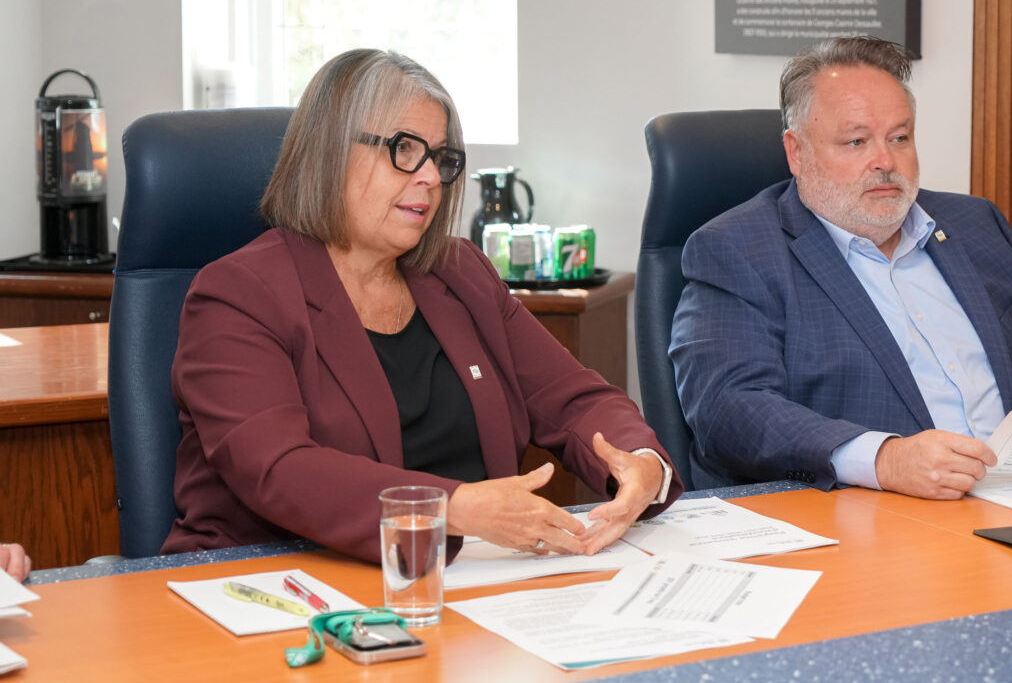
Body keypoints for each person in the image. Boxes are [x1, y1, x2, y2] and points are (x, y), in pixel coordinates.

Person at [161, 49, 681, 563]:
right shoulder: (237, 294)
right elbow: (280, 470)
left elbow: (573, 398)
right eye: (405, 149)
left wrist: (640, 463)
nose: (431, 176)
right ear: (330, 151)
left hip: (465, 580)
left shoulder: (460, 273)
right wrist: (450, 508)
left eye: (440, 157)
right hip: (281, 584)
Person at [670, 36, 1012, 499]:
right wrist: (882, 459)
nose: (885, 162)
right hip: (876, 521)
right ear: (796, 153)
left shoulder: (975, 225)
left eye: (899, 138)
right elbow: (729, 409)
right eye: (856, 141)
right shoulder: (737, 251)